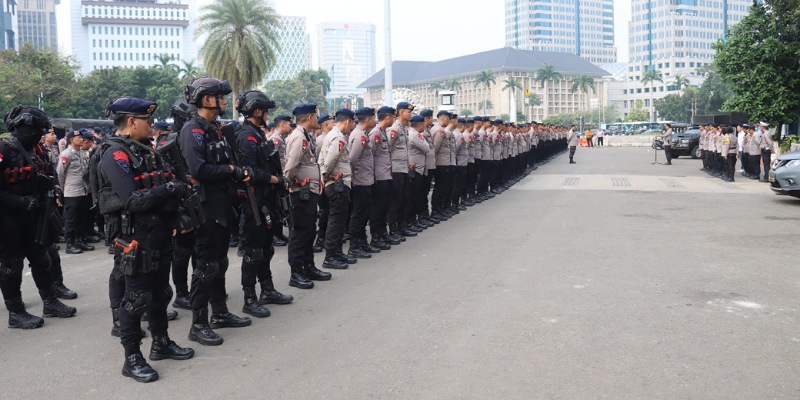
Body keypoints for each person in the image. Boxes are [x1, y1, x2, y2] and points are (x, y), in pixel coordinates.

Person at [98, 97, 195, 382]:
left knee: (160, 293)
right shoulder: (116, 154)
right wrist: (169, 189)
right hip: (135, 238)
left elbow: (163, 185)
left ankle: (161, 343)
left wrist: (177, 211)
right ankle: (132, 358)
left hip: (158, 233)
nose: (151, 125)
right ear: (131, 122)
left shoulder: (146, 151)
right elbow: (133, 200)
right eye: (147, 120)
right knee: (136, 299)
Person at [179, 77, 252, 347]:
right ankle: (198, 324)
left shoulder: (214, 128)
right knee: (206, 265)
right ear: (207, 99)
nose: (223, 102)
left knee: (219, 262)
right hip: (206, 206)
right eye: (220, 97)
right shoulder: (193, 129)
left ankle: (219, 312)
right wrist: (231, 170)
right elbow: (197, 169)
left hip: (222, 203)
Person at [0, 105, 77, 329]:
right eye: (37, 130)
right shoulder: (5, 149)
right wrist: (18, 201)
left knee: (42, 259)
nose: (40, 134)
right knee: (11, 266)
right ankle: (16, 313)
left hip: (35, 215)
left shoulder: (38, 150)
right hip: (8, 217)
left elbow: (49, 173)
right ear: (22, 127)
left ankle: (50, 302)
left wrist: (55, 189)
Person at [234, 90, 294, 318]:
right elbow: (251, 172)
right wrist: (276, 180)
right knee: (253, 251)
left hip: (266, 198)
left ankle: (267, 290)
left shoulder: (257, 134)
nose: (268, 115)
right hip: (253, 201)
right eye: (265, 111)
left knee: (266, 248)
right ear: (257, 111)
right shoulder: (246, 136)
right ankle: (249, 298)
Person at [285, 103, 332, 289]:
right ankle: (296, 273)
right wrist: (288, 185)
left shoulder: (306, 135)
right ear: (310, 117)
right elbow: (291, 166)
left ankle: (308, 266)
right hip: (300, 192)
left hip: (309, 190)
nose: (318, 119)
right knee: (299, 233)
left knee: (309, 230)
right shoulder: (298, 137)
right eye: (316, 116)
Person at [319, 109, 356, 269]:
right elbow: (328, 162)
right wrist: (326, 177)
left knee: (340, 221)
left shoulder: (333, 135)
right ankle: (330, 256)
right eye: (353, 123)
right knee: (336, 221)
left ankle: (337, 252)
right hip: (337, 184)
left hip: (337, 183)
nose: (353, 126)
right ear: (348, 121)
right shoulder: (338, 137)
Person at [347, 107, 381, 258]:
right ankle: (354, 246)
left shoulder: (363, 134)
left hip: (366, 180)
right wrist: (353, 179)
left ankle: (362, 243)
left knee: (364, 214)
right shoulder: (359, 136)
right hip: (360, 181)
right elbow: (352, 160)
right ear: (368, 119)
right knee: (359, 215)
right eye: (373, 118)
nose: (375, 121)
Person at [58, 130, 95, 254]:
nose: (81, 139)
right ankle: (70, 244)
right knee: (71, 219)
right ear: (71, 140)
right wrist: (63, 189)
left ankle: (80, 240)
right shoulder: (66, 154)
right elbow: (60, 173)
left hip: (83, 190)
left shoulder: (82, 153)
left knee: (81, 217)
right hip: (72, 192)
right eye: (78, 137)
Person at [368, 107, 400, 248]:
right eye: (393, 117)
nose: (394, 120)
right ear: (387, 118)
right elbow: (370, 156)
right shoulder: (375, 133)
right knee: (377, 208)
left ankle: (382, 233)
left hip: (386, 175)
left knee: (384, 206)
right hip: (379, 177)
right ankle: (376, 237)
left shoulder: (382, 132)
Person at [387, 102, 415, 238]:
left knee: (405, 198)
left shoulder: (404, 128)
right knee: (395, 200)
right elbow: (387, 149)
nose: (410, 115)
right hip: (396, 169)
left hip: (404, 169)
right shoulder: (394, 129)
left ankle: (401, 226)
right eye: (408, 112)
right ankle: (393, 229)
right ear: (401, 112)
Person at [270, 115, 292, 247]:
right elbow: (271, 158)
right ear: (282, 124)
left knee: (280, 207)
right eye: (288, 124)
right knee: (276, 206)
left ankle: (278, 233)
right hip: (276, 176)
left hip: (280, 175)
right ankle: (274, 235)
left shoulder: (281, 138)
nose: (290, 126)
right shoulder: (276, 139)